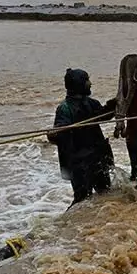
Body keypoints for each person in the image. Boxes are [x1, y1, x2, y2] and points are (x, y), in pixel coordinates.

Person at [49, 69, 115, 206]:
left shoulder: (92, 103)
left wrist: (114, 105)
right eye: (86, 81)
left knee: (106, 194)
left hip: (97, 157)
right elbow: (58, 135)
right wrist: (55, 133)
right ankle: (68, 225)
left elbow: (103, 116)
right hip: (80, 163)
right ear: (79, 84)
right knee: (82, 201)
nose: (90, 84)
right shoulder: (64, 109)